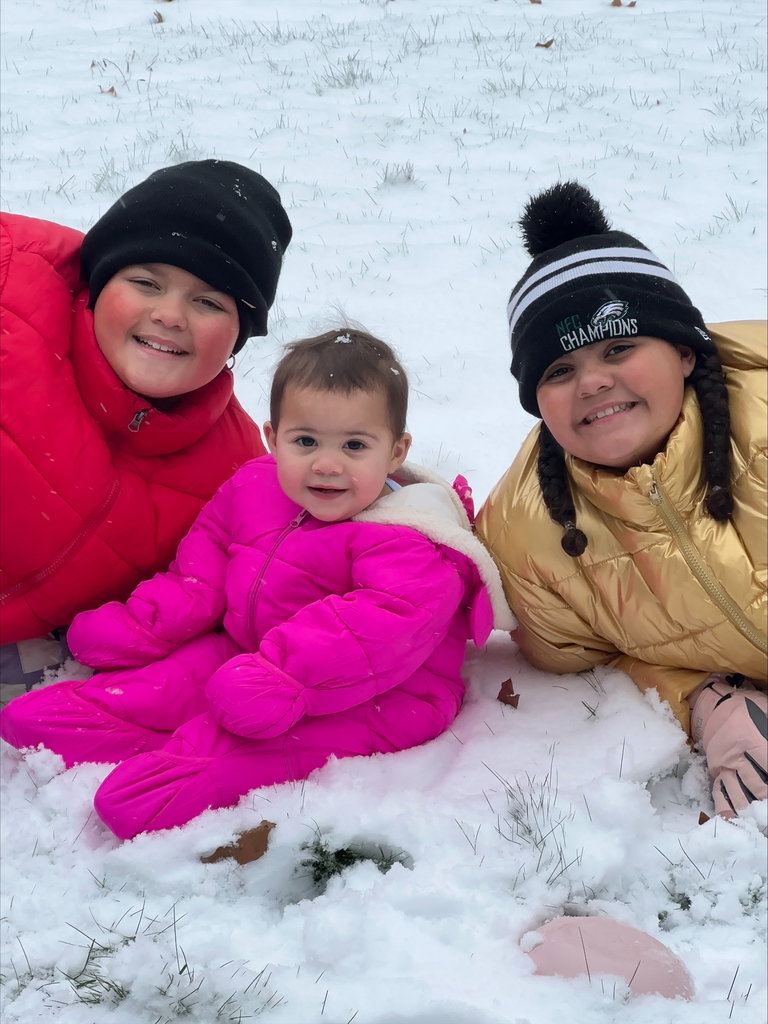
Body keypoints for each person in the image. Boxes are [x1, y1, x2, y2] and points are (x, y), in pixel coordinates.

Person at [0, 330, 514, 839]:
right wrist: (142, 624)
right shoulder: (253, 486)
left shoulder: (412, 539)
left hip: (385, 696)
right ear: (273, 437)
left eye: (355, 445)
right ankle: (146, 725)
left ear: (396, 450)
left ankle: (197, 764)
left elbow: (376, 626)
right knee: (45, 717)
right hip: (245, 654)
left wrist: (282, 677)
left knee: (192, 767)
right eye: (305, 441)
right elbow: (200, 569)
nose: (327, 464)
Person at [476, 182, 767, 819]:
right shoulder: (528, 540)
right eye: (558, 370)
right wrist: (708, 700)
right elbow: (596, 657)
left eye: (618, 347)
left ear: (685, 351)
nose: (594, 381)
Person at [0, 159, 292, 698]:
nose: (170, 315)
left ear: (239, 335)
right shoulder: (12, 295)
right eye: (145, 282)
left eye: (207, 301)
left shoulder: (236, 469)